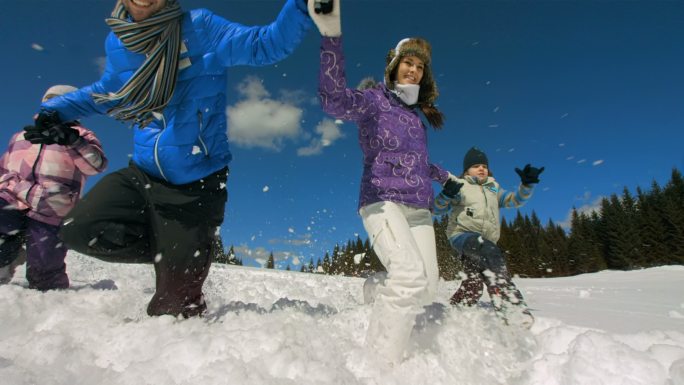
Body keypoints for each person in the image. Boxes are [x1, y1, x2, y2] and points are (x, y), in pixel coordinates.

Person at [35, 0, 313, 317]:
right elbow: (109, 92)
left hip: (194, 186)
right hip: (142, 174)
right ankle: (170, 248)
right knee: (78, 230)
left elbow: (267, 45)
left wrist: (299, 7)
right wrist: (54, 112)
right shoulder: (119, 42)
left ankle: (180, 253)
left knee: (173, 314)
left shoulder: (201, 28)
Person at [309, 1, 453, 363]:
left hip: (418, 209)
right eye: (408, 62)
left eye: (420, 67)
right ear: (393, 65)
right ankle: (377, 366)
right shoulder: (374, 101)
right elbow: (333, 100)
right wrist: (331, 37)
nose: (414, 70)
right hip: (381, 199)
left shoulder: (417, 119)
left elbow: (418, 162)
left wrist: (447, 179)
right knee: (407, 278)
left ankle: (376, 287)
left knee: (425, 288)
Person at [0, 85, 108, 290]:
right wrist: (5, 183)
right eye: (49, 104)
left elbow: (96, 165)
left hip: (52, 206)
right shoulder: (22, 136)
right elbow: (3, 166)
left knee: (45, 267)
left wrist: (71, 140)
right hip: (13, 197)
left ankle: (49, 294)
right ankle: (6, 255)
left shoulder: (82, 135)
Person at [434, 146, 544, 327]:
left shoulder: (494, 188)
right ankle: (511, 307)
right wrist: (446, 194)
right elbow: (438, 209)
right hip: (462, 235)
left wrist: (526, 186)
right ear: (466, 170)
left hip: (485, 243)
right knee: (488, 250)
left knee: (474, 284)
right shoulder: (461, 187)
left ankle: (454, 312)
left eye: (484, 165)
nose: (481, 168)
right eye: (476, 165)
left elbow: (514, 200)